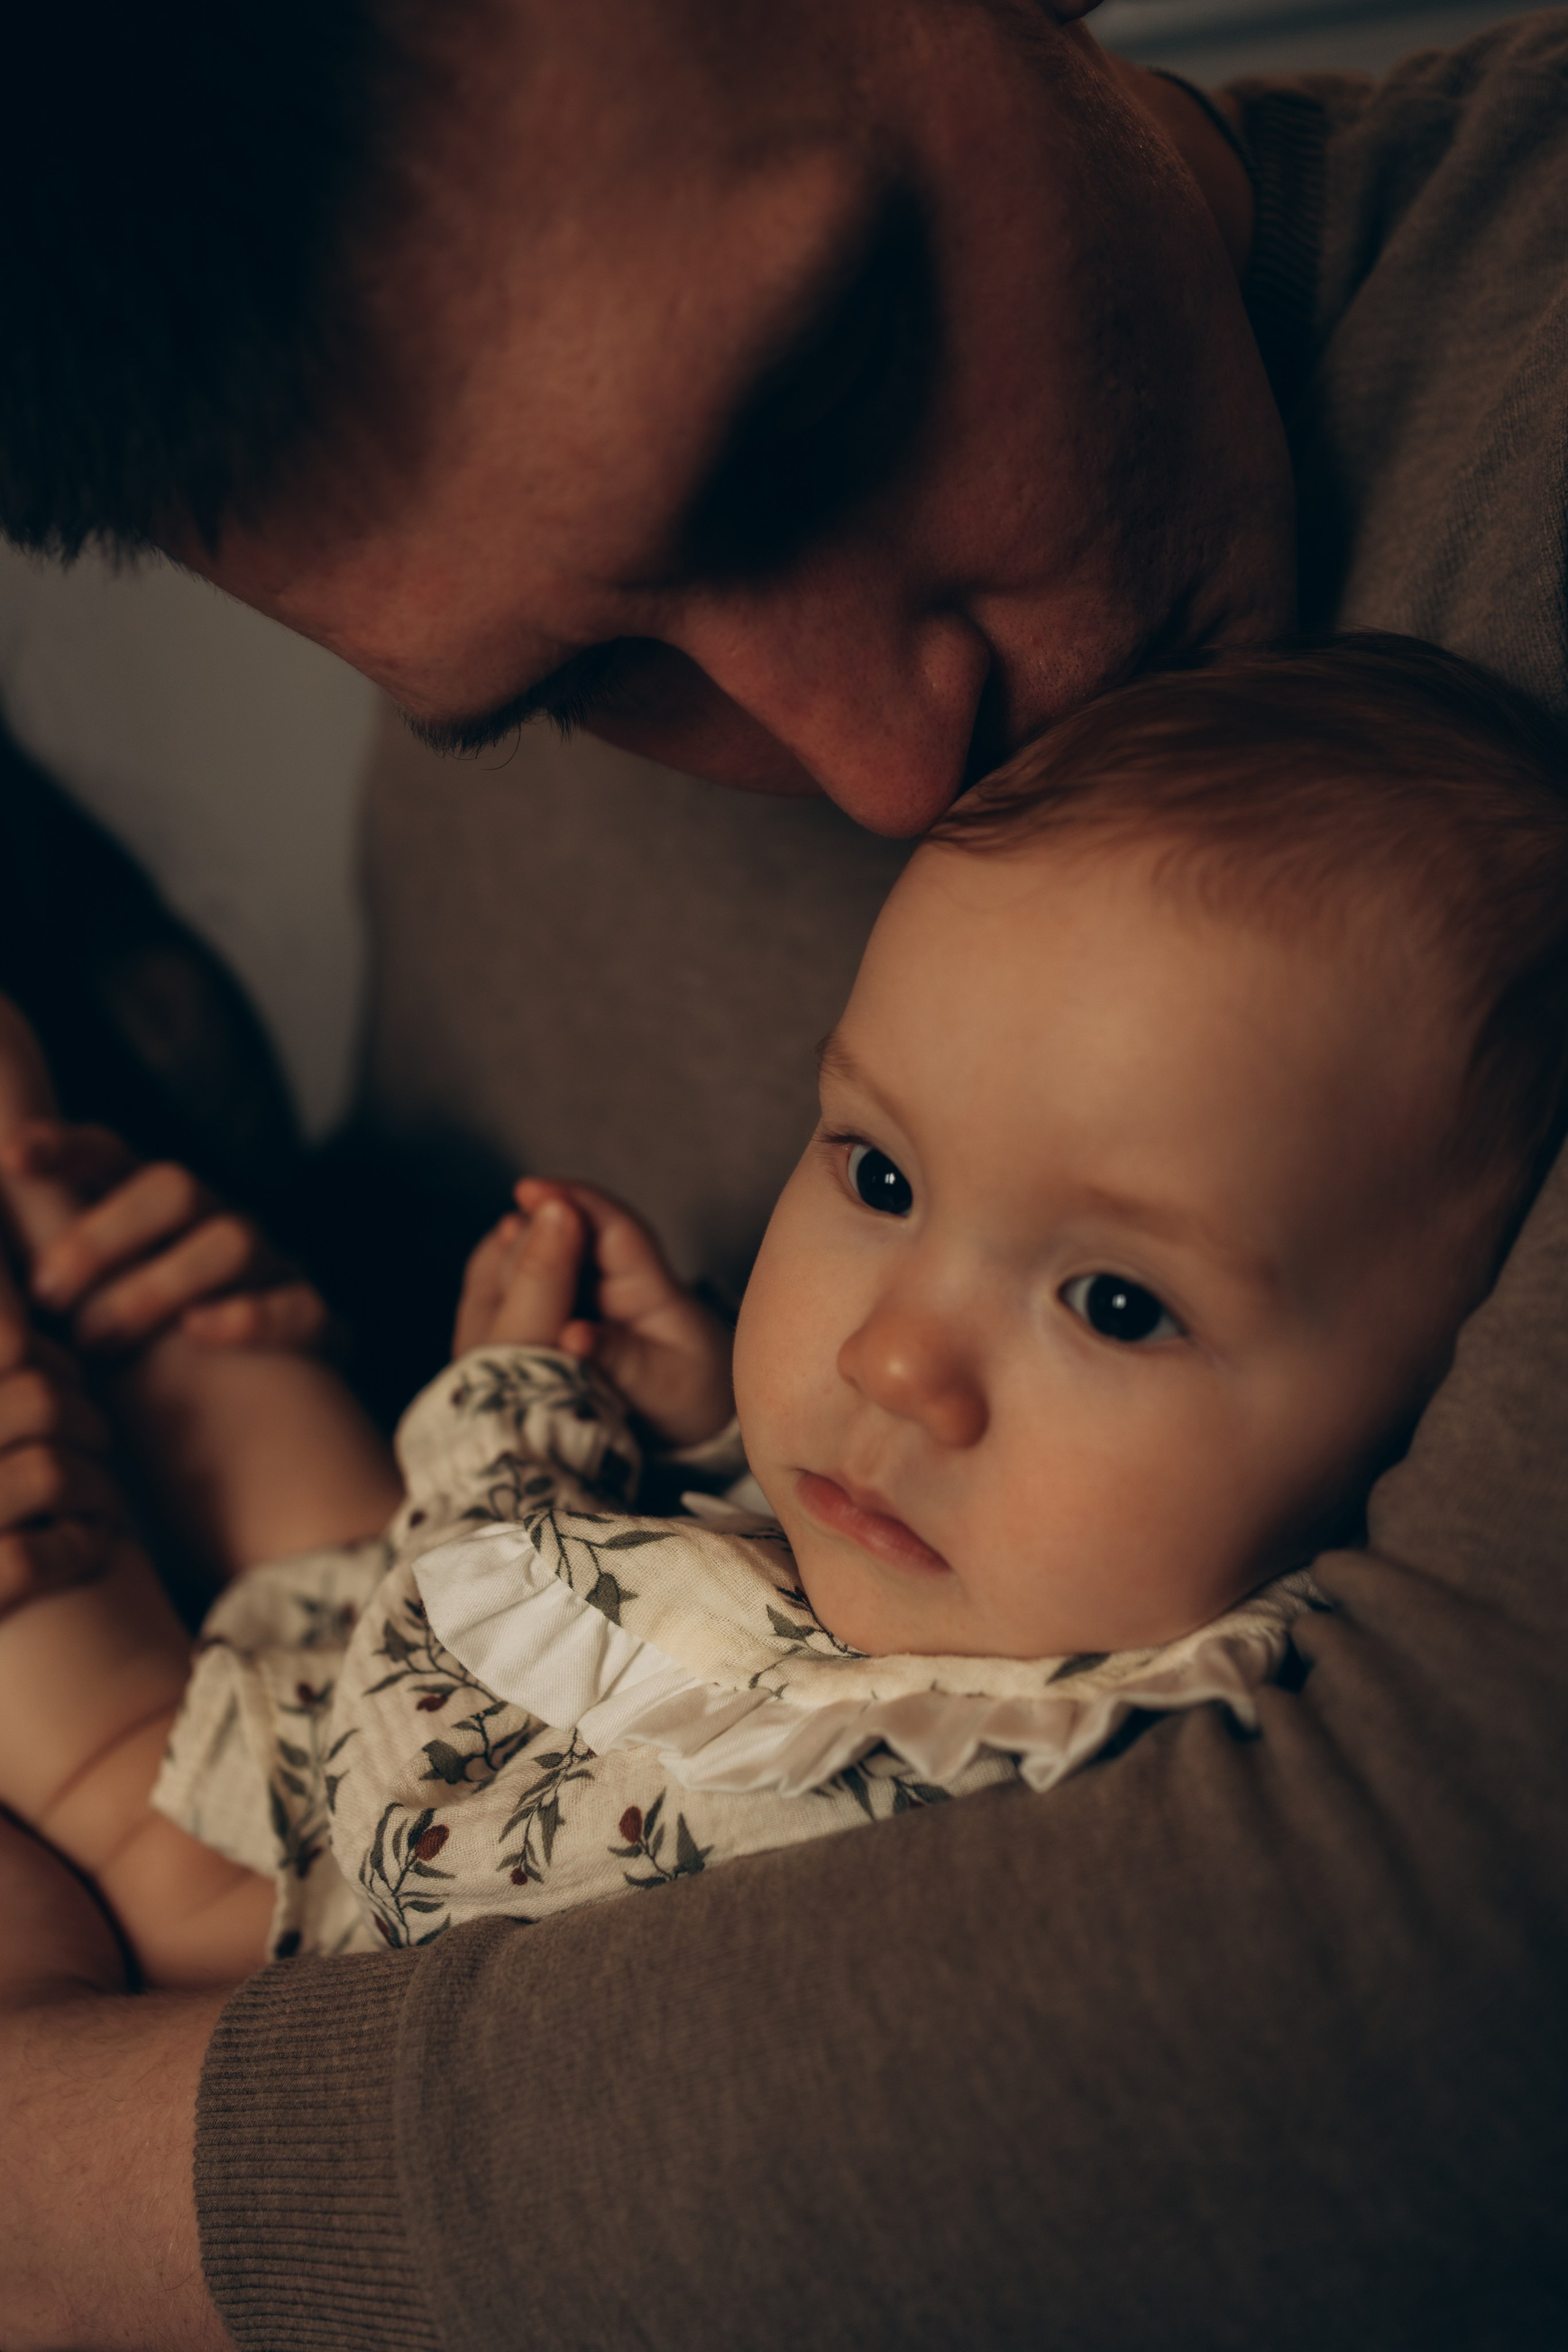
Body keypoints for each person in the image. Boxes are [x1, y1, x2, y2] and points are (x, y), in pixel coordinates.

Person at [2, 4, 1568, 2347]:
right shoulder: (498, 757)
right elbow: (395, 1617)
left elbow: (1436, 1982)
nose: (890, 773)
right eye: (587, 687)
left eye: (822, 401)